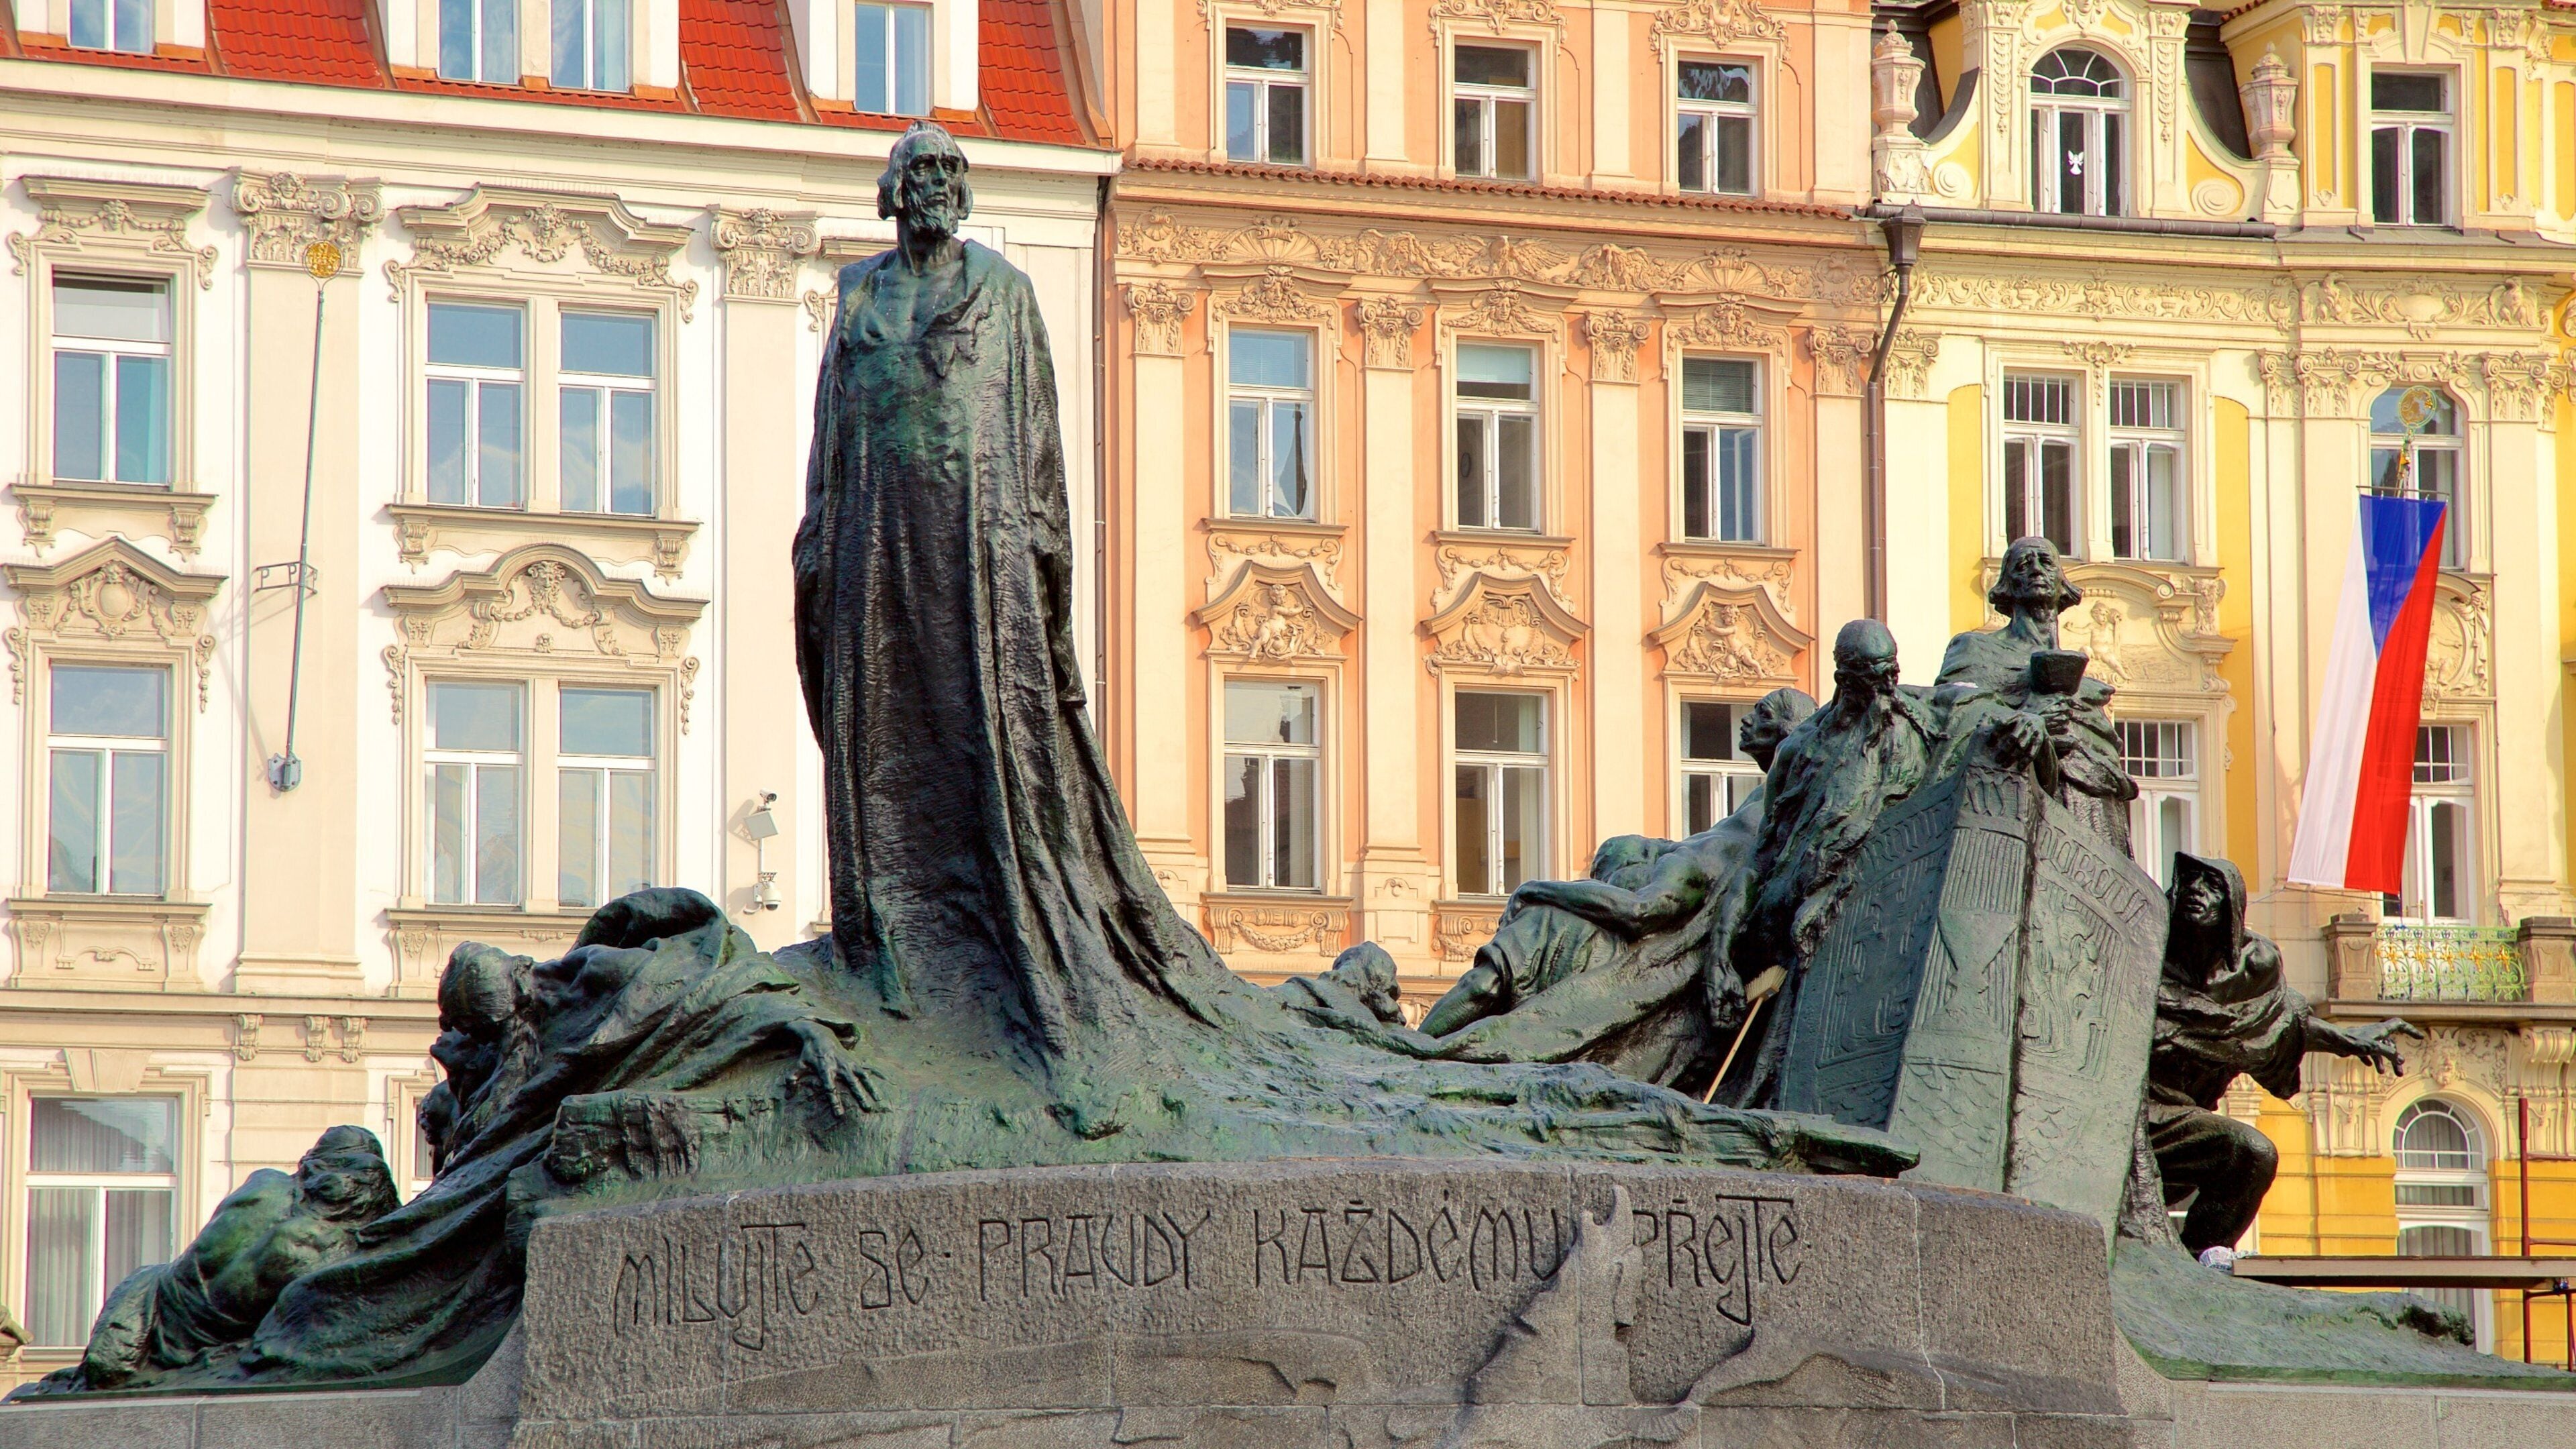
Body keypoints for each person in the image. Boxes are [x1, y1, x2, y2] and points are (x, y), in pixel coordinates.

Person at [793, 120, 1234, 1059]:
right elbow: (829, 439)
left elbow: (1039, 457)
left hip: (977, 549)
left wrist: (1051, 590)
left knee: (986, 739)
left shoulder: (1005, 294)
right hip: (877, 544)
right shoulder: (856, 296)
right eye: (920, 170)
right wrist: (818, 542)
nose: (936, 185)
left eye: (951, 169)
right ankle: (895, 951)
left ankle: (1005, 947)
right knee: (881, 735)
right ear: (891, 188)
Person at [1414, 688, 1815, 1093]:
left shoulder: (1691, 865)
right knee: (1510, 962)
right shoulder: (1750, 809)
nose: (1747, 720)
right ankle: (1418, 1050)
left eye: (1761, 714)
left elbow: (1639, 911)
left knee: (1511, 959)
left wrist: (1539, 889)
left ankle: (1416, 1050)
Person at [2149, 853, 2421, 1254]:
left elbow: (2279, 1024)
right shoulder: (2147, 950)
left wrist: (2347, 1040)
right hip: (2132, 1107)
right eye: (2189, 882)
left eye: (2211, 887)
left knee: (2252, 1155)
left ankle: (2197, 1262)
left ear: (2234, 905)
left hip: (2178, 1115)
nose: (2196, 893)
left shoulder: (2253, 967)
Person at [25, 1126, 398, 1395]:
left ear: (310, 1163)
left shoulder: (264, 1181)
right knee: (95, 1384)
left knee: (96, 1380)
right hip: (206, 1341)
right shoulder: (343, 1251)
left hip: (147, 1296)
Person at [1735, 622, 1939, 981]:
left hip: (1888, 904)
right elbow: (1763, 854)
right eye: (1870, 677)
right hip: (1798, 914)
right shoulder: (1798, 751)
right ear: (1842, 677)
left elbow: (1975, 703)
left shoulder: (1917, 719)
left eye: (1890, 673)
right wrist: (1721, 957)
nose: (1886, 687)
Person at [1934, 536, 2135, 833]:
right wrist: (2026, 716)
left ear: (2060, 582)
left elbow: (2104, 767)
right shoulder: (1976, 649)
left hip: (2083, 824)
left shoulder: (2086, 687)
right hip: (2003, 812)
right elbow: (1947, 716)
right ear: (2008, 585)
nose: (2037, 570)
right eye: (2024, 565)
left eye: (2046, 563)